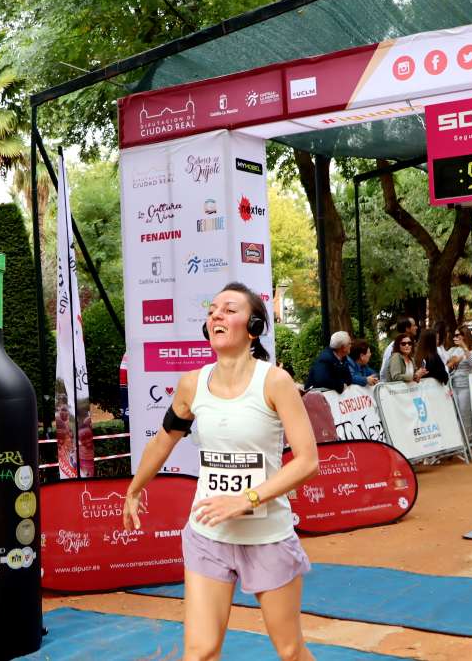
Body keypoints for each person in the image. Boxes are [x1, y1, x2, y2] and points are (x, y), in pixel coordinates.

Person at [123, 283, 318, 661]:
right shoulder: (192, 384)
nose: (216, 315)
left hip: (267, 535)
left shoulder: (274, 382)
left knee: (291, 650)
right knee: (200, 652)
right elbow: (163, 440)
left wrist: (247, 499)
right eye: (212, 310)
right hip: (208, 534)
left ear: (254, 326)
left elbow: (308, 461)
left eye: (229, 309)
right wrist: (135, 488)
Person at [448, 328, 472, 441]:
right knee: (454, 413)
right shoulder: (454, 350)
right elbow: (448, 363)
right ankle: (457, 440)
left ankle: (467, 440)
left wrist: (465, 348)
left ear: (464, 336)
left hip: (466, 386)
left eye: (457, 335)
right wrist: (454, 360)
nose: (455, 337)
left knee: (464, 413)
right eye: (454, 335)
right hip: (454, 385)